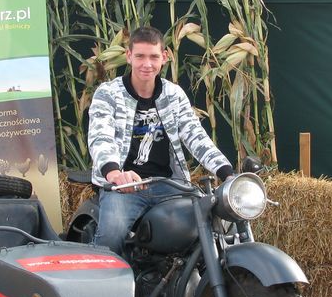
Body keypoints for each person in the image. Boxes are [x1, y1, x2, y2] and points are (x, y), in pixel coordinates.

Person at [88, 26, 233, 255]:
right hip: (125, 187)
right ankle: (102, 285)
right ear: (129, 56)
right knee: (111, 237)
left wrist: (226, 172)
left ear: (164, 57)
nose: (147, 64)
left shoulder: (173, 94)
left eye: (154, 56)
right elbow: (101, 136)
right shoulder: (108, 93)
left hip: (168, 185)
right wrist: (115, 174)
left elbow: (195, 135)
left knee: (215, 222)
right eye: (140, 56)